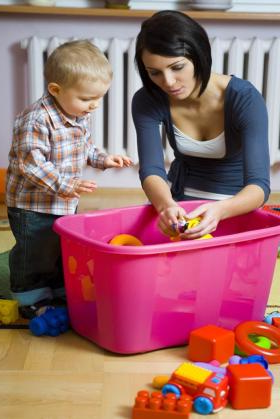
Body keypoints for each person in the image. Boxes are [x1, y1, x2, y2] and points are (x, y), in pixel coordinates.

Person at [6, 40, 132, 318]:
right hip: (33, 204)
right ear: (55, 90)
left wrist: (102, 159)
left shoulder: (76, 114)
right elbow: (30, 163)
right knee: (35, 250)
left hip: (63, 200)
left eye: (99, 98)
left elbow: (84, 147)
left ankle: (58, 287)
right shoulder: (36, 120)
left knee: (59, 245)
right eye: (87, 99)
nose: (93, 106)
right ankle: (30, 296)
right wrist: (66, 184)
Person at [132, 10, 270, 240]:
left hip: (232, 205)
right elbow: (151, 170)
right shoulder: (148, 98)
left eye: (177, 67)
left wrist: (221, 210)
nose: (167, 82)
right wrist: (166, 205)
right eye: (155, 73)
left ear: (199, 56)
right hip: (177, 198)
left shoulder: (244, 98)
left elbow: (259, 186)